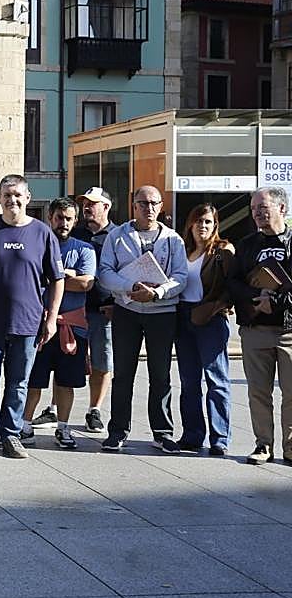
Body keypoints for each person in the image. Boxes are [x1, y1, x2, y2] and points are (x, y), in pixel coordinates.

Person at [0, 175, 62, 458]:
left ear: (28, 198)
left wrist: (51, 318)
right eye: (6, 195)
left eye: (17, 194)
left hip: (27, 323)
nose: (12, 200)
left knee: (18, 383)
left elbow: (57, 279)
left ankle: (11, 434)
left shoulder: (42, 233)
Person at [98, 185, 187, 453]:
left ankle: (162, 432)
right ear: (133, 205)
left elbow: (181, 277)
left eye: (153, 203)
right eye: (143, 203)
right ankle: (117, 431)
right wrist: (130, 286)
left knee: (160, 374)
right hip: (127, 310)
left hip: (162, 312)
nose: (148, 208)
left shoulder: (173, 239)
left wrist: (157, 293)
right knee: (123, 374)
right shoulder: (116, 236)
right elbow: (104, 272)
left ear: (161, 206)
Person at [21, 198, 96, 449]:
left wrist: (53, 276)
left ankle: (63, 428)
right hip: (38, 324)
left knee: (66, 382)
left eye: (68, 219)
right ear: (50, 218)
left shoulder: (85, 249)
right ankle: (25, 426)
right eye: (58, 218)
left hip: (72, 327)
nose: (63, 223)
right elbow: (29, 279)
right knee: (33, 380)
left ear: (75, 221)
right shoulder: (35, 245)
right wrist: (68, 274)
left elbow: (87, 283)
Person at [227, 188, 292, 465]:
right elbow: (233, 282)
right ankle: (263, 445)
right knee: (258, 392)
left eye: (263, 207)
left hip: (289, 330)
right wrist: (256, 299)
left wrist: (275, 301)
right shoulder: (247, 244)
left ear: (282, 209)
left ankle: (290, 447)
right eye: (254, 208)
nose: (257, 213)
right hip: (256, 329)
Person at [174, 203, 233, 456]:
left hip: (210, 317)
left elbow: (233, 286)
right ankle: (192, 435)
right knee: (188, 382)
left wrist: (214, 308)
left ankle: (219, 438)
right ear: (190, 224)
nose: (203, 226)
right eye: (199, 221)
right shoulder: (182, 251)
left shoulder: (222, 251)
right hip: (182, 316)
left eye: (208, 222)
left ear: (215, 225)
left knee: (216, 380)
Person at [71, 187, 115, 432]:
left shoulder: (118, 235)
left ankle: (94, 410)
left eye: (92, 204)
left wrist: (116, 303)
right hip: (74, 310)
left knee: (101, 361)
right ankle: (55, 408)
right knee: (68, 360)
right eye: (84, 203)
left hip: (103, 311)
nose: (87, 207)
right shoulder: (75, 234)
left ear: (106, 207)